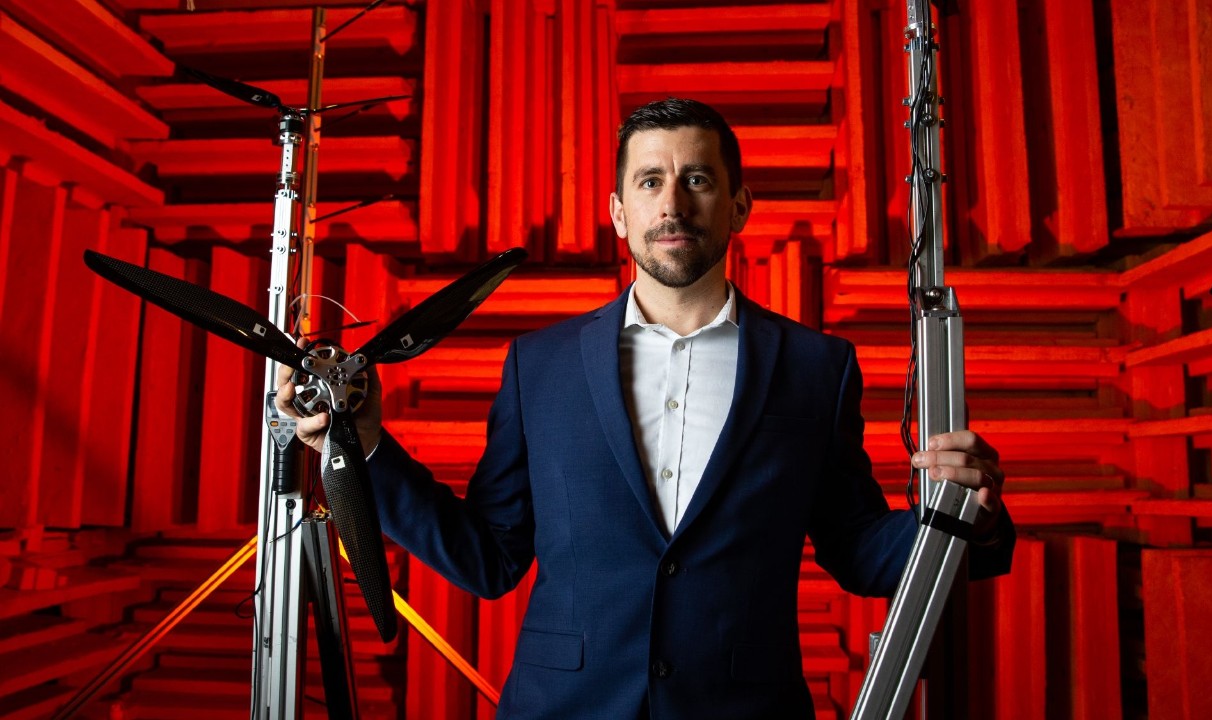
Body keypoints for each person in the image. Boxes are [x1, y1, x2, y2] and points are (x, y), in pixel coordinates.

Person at [277, 98, 1014, 720]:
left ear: (739, 206)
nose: (672, 203)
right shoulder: (540, 367)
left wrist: (963, 518)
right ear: (619, 212)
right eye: (650, 181)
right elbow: (491, 557)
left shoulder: (817, 369)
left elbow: (857, 547)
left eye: (696, 179)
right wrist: (368, 442)